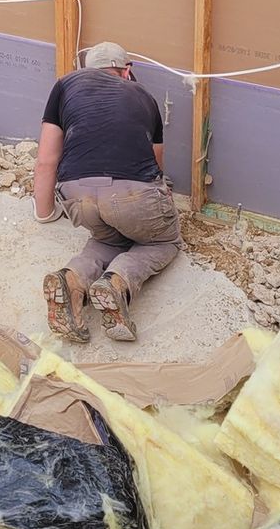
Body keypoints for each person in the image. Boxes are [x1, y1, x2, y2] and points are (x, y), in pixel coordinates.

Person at [33, 42, 180, 343]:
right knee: (165, 241)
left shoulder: (65, 86)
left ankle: (73, 278)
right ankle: (118, 282)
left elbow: (46, 160)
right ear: (126, 71)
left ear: (87, 70)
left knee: (107, 238)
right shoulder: (144, 96)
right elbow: (156, 165)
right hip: (133, 194)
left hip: (77, 195)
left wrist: (45, 212)